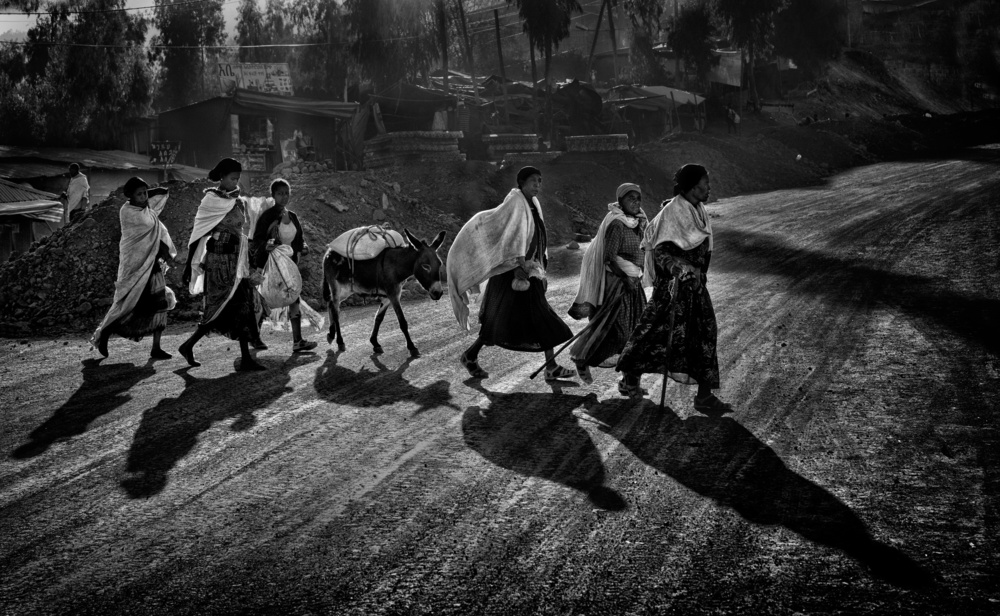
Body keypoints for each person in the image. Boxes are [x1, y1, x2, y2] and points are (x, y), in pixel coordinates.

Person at [616, 164, 733, 414]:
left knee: (705, 334)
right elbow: (660, 251)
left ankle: (704, 397)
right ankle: (630, 376)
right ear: (692, 186)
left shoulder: (699, 211)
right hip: (672, 290)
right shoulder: (672, 212)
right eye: (705, 183)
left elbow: (703, 250)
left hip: (695, 289)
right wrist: (677, 268)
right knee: (651, 335)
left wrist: (698, 273)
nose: (709, 187)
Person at [447, 166, 575, 381]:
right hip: (511, 273)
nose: (537, 185)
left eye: (540, 181)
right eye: (533, 180)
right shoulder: (515, 203)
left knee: (502, 319)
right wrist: (517, 266)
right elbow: (508, 239)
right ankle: (550, 366)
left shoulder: (533, 204)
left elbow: (536, 237)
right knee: (532, 317)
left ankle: (471, 355)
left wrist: (538, 266)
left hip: (526, 271)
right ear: (522, 183)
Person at [178, 158, 267, 371]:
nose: (236, 182)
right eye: (232, 178)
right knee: (220, 307)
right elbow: (197, 235)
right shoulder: (211, 201)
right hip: (218, 263)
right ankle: (188, 346)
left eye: (238, 178)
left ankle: (243, 358)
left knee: (243, 307)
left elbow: (242, 231)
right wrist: (188, 266)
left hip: (236, 261)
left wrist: (251, 257)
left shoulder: (237, 200)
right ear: (222, 177)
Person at [568, 183, 648, 396]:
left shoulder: (639, 222)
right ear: (620, 201)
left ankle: (630, 382)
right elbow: (609, 258)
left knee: (638, 335)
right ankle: (584, 359)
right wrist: (625, 278)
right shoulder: (617, 225)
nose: (636, 202)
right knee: (618, 334)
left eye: (638, 198)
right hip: (617, 285)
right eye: (631, 198)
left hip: (634, 286)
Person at [90, 177, 176, 359]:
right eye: (139, 194)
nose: (144, 196)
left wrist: (148, 191)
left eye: (145, 192)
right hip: (135, 265)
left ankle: (156, 348)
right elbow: (144, 230)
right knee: (128, 304)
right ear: (130, 196)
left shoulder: (147, 209)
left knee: (160, 302)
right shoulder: (127, 212)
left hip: (152, 263)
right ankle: (105, 332)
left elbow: (160, 194)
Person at [251, 178, 317, 353]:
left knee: (293, 298)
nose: (284, 197)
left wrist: (303, 247)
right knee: (263, 299)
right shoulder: (267, 216)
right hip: (267, 265)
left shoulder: (292, 216)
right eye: (280, 193)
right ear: (273, 195)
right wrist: (266, 246)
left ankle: (297, 341)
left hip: (288, 266)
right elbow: (256, 239)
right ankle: (255, 337)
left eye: (286, 193)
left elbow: (299, 238)